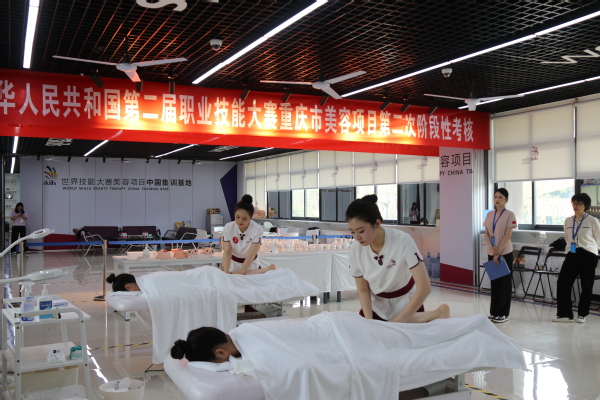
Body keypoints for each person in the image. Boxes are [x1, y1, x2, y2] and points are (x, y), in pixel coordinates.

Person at [346, 194, 449, 323]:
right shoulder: (355, 249)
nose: (357, 237)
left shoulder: (402, 240)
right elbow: (363, 290)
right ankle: (435, 314)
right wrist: (369, 321)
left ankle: (438, 313)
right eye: (352, 232)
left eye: (361, 231)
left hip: (406, 302)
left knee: (400, 326)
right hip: (376, 305)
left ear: (377, 223)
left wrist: (398, 321)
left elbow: (425, 288)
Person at [553, 193, 600, 323]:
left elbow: (598, 240)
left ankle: (582, 314)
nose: (575, 206)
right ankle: (564, 314)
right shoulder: (568, 220)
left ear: (586, 205)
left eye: (579, 203)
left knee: (586, 284)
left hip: (588, 254)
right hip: (572, 253)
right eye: (573, 203)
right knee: (563, 282)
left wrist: (594, 252)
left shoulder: (592, 221)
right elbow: (568, 238)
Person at [483, 188, 517, 324]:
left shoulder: (510, 214)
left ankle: (503, 313)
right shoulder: (489, 214)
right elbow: (486, 233)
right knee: (495, 283)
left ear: (506, 199)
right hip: (492, 252)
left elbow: (508, 235)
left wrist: (499, 251)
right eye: (495, 197)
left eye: (500, 197)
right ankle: (494, 312)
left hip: (504, 253)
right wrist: (491, 248)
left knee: (504, 284)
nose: (497, 199)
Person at [222, 194, 275, 275]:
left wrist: (240, 272)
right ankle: (267, 269)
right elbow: (227, 252)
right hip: (233, 263)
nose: (240, 221)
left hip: (250, 264)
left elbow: (252, 254)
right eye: (237, 217)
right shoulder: (228, 227)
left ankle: (267, 269)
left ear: (250, 217)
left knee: (247, 279)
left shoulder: (257, 229)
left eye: (244, 219)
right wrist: (225, 272)